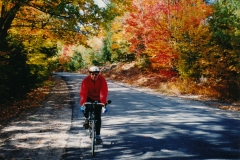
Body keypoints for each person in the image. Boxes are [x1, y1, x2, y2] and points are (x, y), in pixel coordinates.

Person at [79, 66, 108, 144]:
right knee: (85, 108)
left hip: (98, 98)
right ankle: (86, 119)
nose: (94, 76)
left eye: (96, 74)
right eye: (93, 74)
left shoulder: (102, 80)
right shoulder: (86, 81)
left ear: (98, 74)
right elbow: (83, 93)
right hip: (89, 97)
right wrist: (83, 103)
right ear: (90, 74)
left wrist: (103, 104)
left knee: (98, 117)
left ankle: (98, 135)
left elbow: (103, 92)